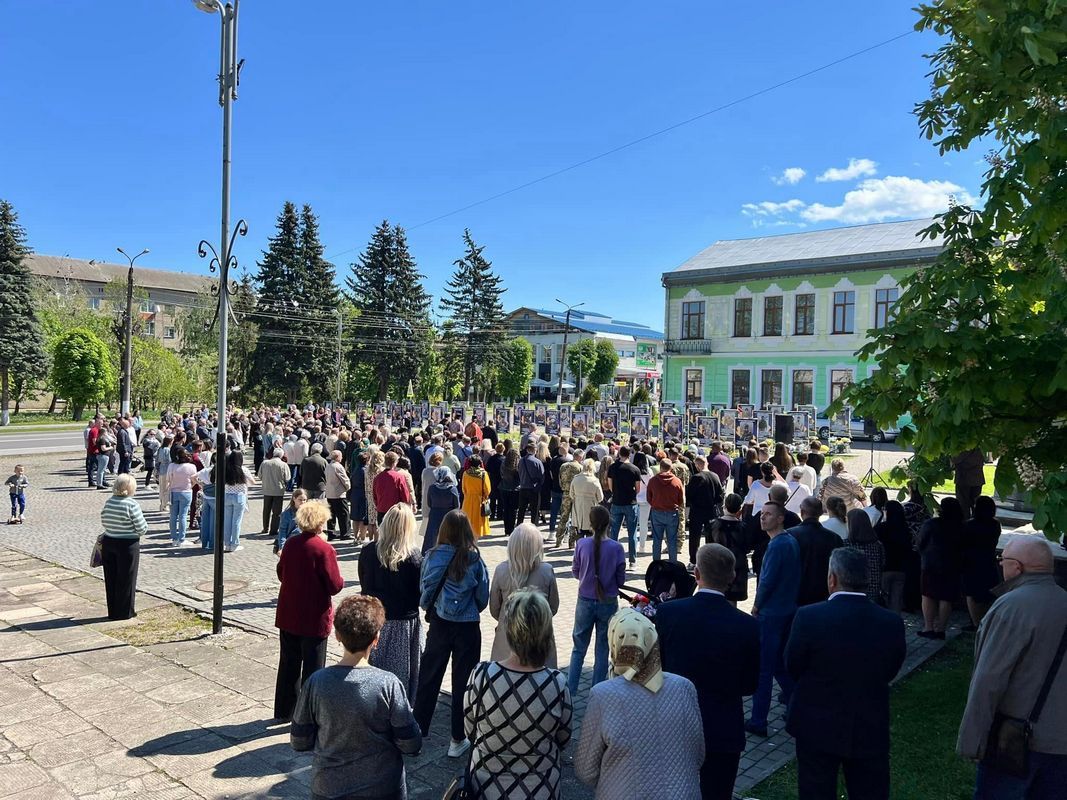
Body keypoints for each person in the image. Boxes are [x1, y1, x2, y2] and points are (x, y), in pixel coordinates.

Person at [785, 548, 907, 800]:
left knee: (815, 790)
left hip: (816, 722)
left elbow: (792, 665)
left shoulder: (809, 617)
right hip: (869, 721)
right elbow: (891, 667)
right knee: (870, 791)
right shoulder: (890, 622)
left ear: (832, 578)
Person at [957, 536, 1067, 797]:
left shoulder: (1011, 606)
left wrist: (973, 741)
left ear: (1016, 567)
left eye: (1002, 560)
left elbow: (988, 679)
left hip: (1017, 742)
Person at [290, 595, 422, 800]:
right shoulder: (388, 684)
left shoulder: (316, 683)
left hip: (328, 787)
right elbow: (411, 743)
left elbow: (299, 741)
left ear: (337, 636)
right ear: (376, 638)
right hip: (383, 788)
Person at [656, 543, 760, 800]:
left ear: (697, 575)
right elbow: (749, 685)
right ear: (733, 577)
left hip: (676, 723)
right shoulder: (747, 626)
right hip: (724, 726)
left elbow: (660, 668)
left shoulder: (669, 613)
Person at [574, 608, 704, 799]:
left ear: (615, 643)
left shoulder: (603, 695)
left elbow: (586, 771)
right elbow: (698, 755)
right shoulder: (684, 687)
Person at [465, 590, 573, 800]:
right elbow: (564, 737)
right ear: (546, 632)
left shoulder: (481, 675)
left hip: (485, 786)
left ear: (509, 630)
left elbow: (470, 729)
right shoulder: (556, 683)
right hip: (540, 787)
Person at [413, 510, 490, 757]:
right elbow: (482, 598)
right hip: (467, 626)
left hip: (439, 622)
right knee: (463, 683)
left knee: (429, 676)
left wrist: (430, 605)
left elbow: (423, 588)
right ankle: (458, 738)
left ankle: (418, 731)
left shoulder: (432, 555)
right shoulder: (475, 559)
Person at [274, 500, 345, 721]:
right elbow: (334, 586)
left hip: (288, 612)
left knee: (288, 664)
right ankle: (308, 715)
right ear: (320, 522)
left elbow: (280, 572)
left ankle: (284, 710)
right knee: (314, 668)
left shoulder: (291, 544)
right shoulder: (324, 549)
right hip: (313, 616)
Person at [358, 503, 423, 699]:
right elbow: (419, 594)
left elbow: (364, 584)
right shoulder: (414, 558)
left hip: (374, 621)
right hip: (404, 624)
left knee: (371, 671)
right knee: (400, 676)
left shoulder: (368, 552)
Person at [748, 501, 800, 737]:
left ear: (780, 518)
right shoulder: (789, 541)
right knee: (779, 663)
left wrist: (756, 606)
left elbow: (767, 580)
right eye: (762, 514)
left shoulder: (778, 545)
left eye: (769, 514)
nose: (763, 518)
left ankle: (758, 720)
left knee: (764, 669)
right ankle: (795, 704)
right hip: (787, 609)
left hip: (771, 613)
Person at [567, 505, 625, 698]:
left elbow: (575, 571)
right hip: (608, 601)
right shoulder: (617, 548)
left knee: (578, 648)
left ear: (590, 524)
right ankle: (597, 693)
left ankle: (570, 690)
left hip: (585, 599)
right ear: (609, 523)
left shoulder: (581, 544)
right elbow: (621, 580)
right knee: (602, 649)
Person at [489, 523, 560, 667]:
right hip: (540, 638)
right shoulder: (546, 571)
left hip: (507, 639)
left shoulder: (501, 570)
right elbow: (553, 607)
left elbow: (494, 608)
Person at [99, 474, 148, 620]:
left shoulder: (110, 501)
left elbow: (104, 519)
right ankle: (125, 612)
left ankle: (113, 611)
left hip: (109, 541)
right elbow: (142, 527)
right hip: (127, 544)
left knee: (111, 578)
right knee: (127, 579)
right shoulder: (131, 504)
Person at [917, 497, 964, 639]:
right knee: (946, 597)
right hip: (952, 564)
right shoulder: (961, 526)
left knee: (928, 595)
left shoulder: (931, 524)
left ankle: (928, 627)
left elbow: (920, 542)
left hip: (931, 564)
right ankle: (941, 629)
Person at [789, 497, 842, 607]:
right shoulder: (834, 538)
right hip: (823, 593)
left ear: (802, 512)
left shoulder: (790, 535)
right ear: (822, 512)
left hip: (795, 593)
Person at [960, 495, 1002, 631]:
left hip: (971, 562)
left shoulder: (968, 525)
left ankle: (976, 623)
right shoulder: (995, 525)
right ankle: (984, 620)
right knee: (986, 594)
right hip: (988, 560)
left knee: (971, 594)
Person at [710, 493, 750, 604]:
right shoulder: (743, 527)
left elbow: (709, 546)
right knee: (733, 602)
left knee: (716, 599)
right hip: (737, 565)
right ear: (739, 509)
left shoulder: (713, 525)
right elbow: (747, 548)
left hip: (717, 565)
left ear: (725, 506)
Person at [687, 455, 724, 569]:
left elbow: (689, 495)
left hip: (697, 511)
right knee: (711, 537)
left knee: (694, 537)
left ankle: (694, 561)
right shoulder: (715, 476)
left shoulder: (696, 477)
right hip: (711, 511)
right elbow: (720, 496)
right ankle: (710, 560)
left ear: (698, 465)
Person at [607, 446, 642, 566]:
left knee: (614, 532)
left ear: (619, 454)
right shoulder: (635, 469)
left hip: (616, 502)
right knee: (632, 533)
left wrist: (616, 492)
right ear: (630, 454)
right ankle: (632, 561)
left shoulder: (612, 467)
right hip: (631, 503)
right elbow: (638, 489)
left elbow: (610, 485)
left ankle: (611, 558)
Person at [875, 500, 913, 613]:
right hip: (901, 568)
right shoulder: (905, 529)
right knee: (896, 601)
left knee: (883, 600)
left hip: (884, 568)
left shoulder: (880, 528)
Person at [647, 458, 685, 562]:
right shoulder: (677, 481)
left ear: (660, 467)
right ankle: (673, 564)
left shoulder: (653, 481)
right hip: (672, 512)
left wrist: (655, 504)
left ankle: (656, 565)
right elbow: (681, 499)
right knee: (672, 540)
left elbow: (649, 498)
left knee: (657, 540)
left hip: (657, 512)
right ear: (671, 468)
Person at [846, 509, 885, 604]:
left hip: (852, 588)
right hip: (873, 588)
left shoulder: (846, 545)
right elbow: (883, 563)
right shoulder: (877, 545)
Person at [220, 450, 255, 553]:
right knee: (236, 521)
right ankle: (234, 543)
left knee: (227, 520)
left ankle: (227, 543)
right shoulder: (243, 470)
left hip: (227, 495)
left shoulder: (226, 469)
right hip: (239, 496)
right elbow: (253, 482)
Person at [422, 466, 460, 554]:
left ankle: (428, 554)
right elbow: (457, 506)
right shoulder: (452, 489)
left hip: (434, 514)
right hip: (449, 516)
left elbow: (429, 503)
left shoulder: (432, 488)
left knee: (431, 539)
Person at [167, 449, 198, 547]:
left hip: (173, 491)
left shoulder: (171, 466)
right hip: (186, 491)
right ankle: (181, 538)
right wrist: (190, 486)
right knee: (183, 516)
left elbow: (168, 479)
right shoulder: (191, 466)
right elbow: (195, 480)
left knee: (173, 516)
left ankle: (174, 538)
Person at [257, 448, 289, 541]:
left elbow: (259, 475)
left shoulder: (265, 463)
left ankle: (265, 527)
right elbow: (287, 477)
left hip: (267, 489)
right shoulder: (283, 464)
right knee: (277, 512)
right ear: (281, 455)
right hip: (278, 491)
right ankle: (273, 529)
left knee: (266, 509)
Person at [569, 459, 604, 539]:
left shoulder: (576, 479)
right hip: (591, 509)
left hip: (578, 509)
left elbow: (571, 494)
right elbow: (600, 497)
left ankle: (580, 550)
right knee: (591, 533)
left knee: (579, 533)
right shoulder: (595, 481)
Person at [461, 454, 492, 539]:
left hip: (468, 499)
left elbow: (463, 489)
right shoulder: (483, 474)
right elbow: (487, 489)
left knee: (468, 519)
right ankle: (476, 537)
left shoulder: (465, 474)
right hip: (479, 500)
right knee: (478, 521)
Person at [516, 442, 545, 526]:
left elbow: (519, 472)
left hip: (523, 488)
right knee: (534, 511)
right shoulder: (537, 462)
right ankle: (534, 527)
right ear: (534, 450)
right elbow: (542, 477)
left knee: (521, 510)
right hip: (533, 489)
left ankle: (519, 526)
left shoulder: (521, 461)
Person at [952, 447, 986, 520]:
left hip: (964, 479)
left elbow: (955, 459)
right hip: (976, 479)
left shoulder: (964, 447)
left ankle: (965, 523)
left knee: (963, 504)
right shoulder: (979, 447)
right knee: (975, 504)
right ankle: (976, 523)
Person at [325, 450, 352, 541]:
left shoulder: (328, 466)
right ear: (337, 457)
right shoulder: (338, 466)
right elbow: (345, 480)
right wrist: (348, 488)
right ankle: (345, 533)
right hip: (339, 493)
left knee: (331, 515)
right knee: (343, 514)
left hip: (329, 493)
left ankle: (331, 533)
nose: (342, 458)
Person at [276, 488, 306, 553]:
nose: (303, 502)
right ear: (294, 499)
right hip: (291, 544)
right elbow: (282, 532)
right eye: (300, 500)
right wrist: (282, 548)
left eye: (304, 500)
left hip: (305, 545)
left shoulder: (309, 513)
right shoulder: (286, 514)